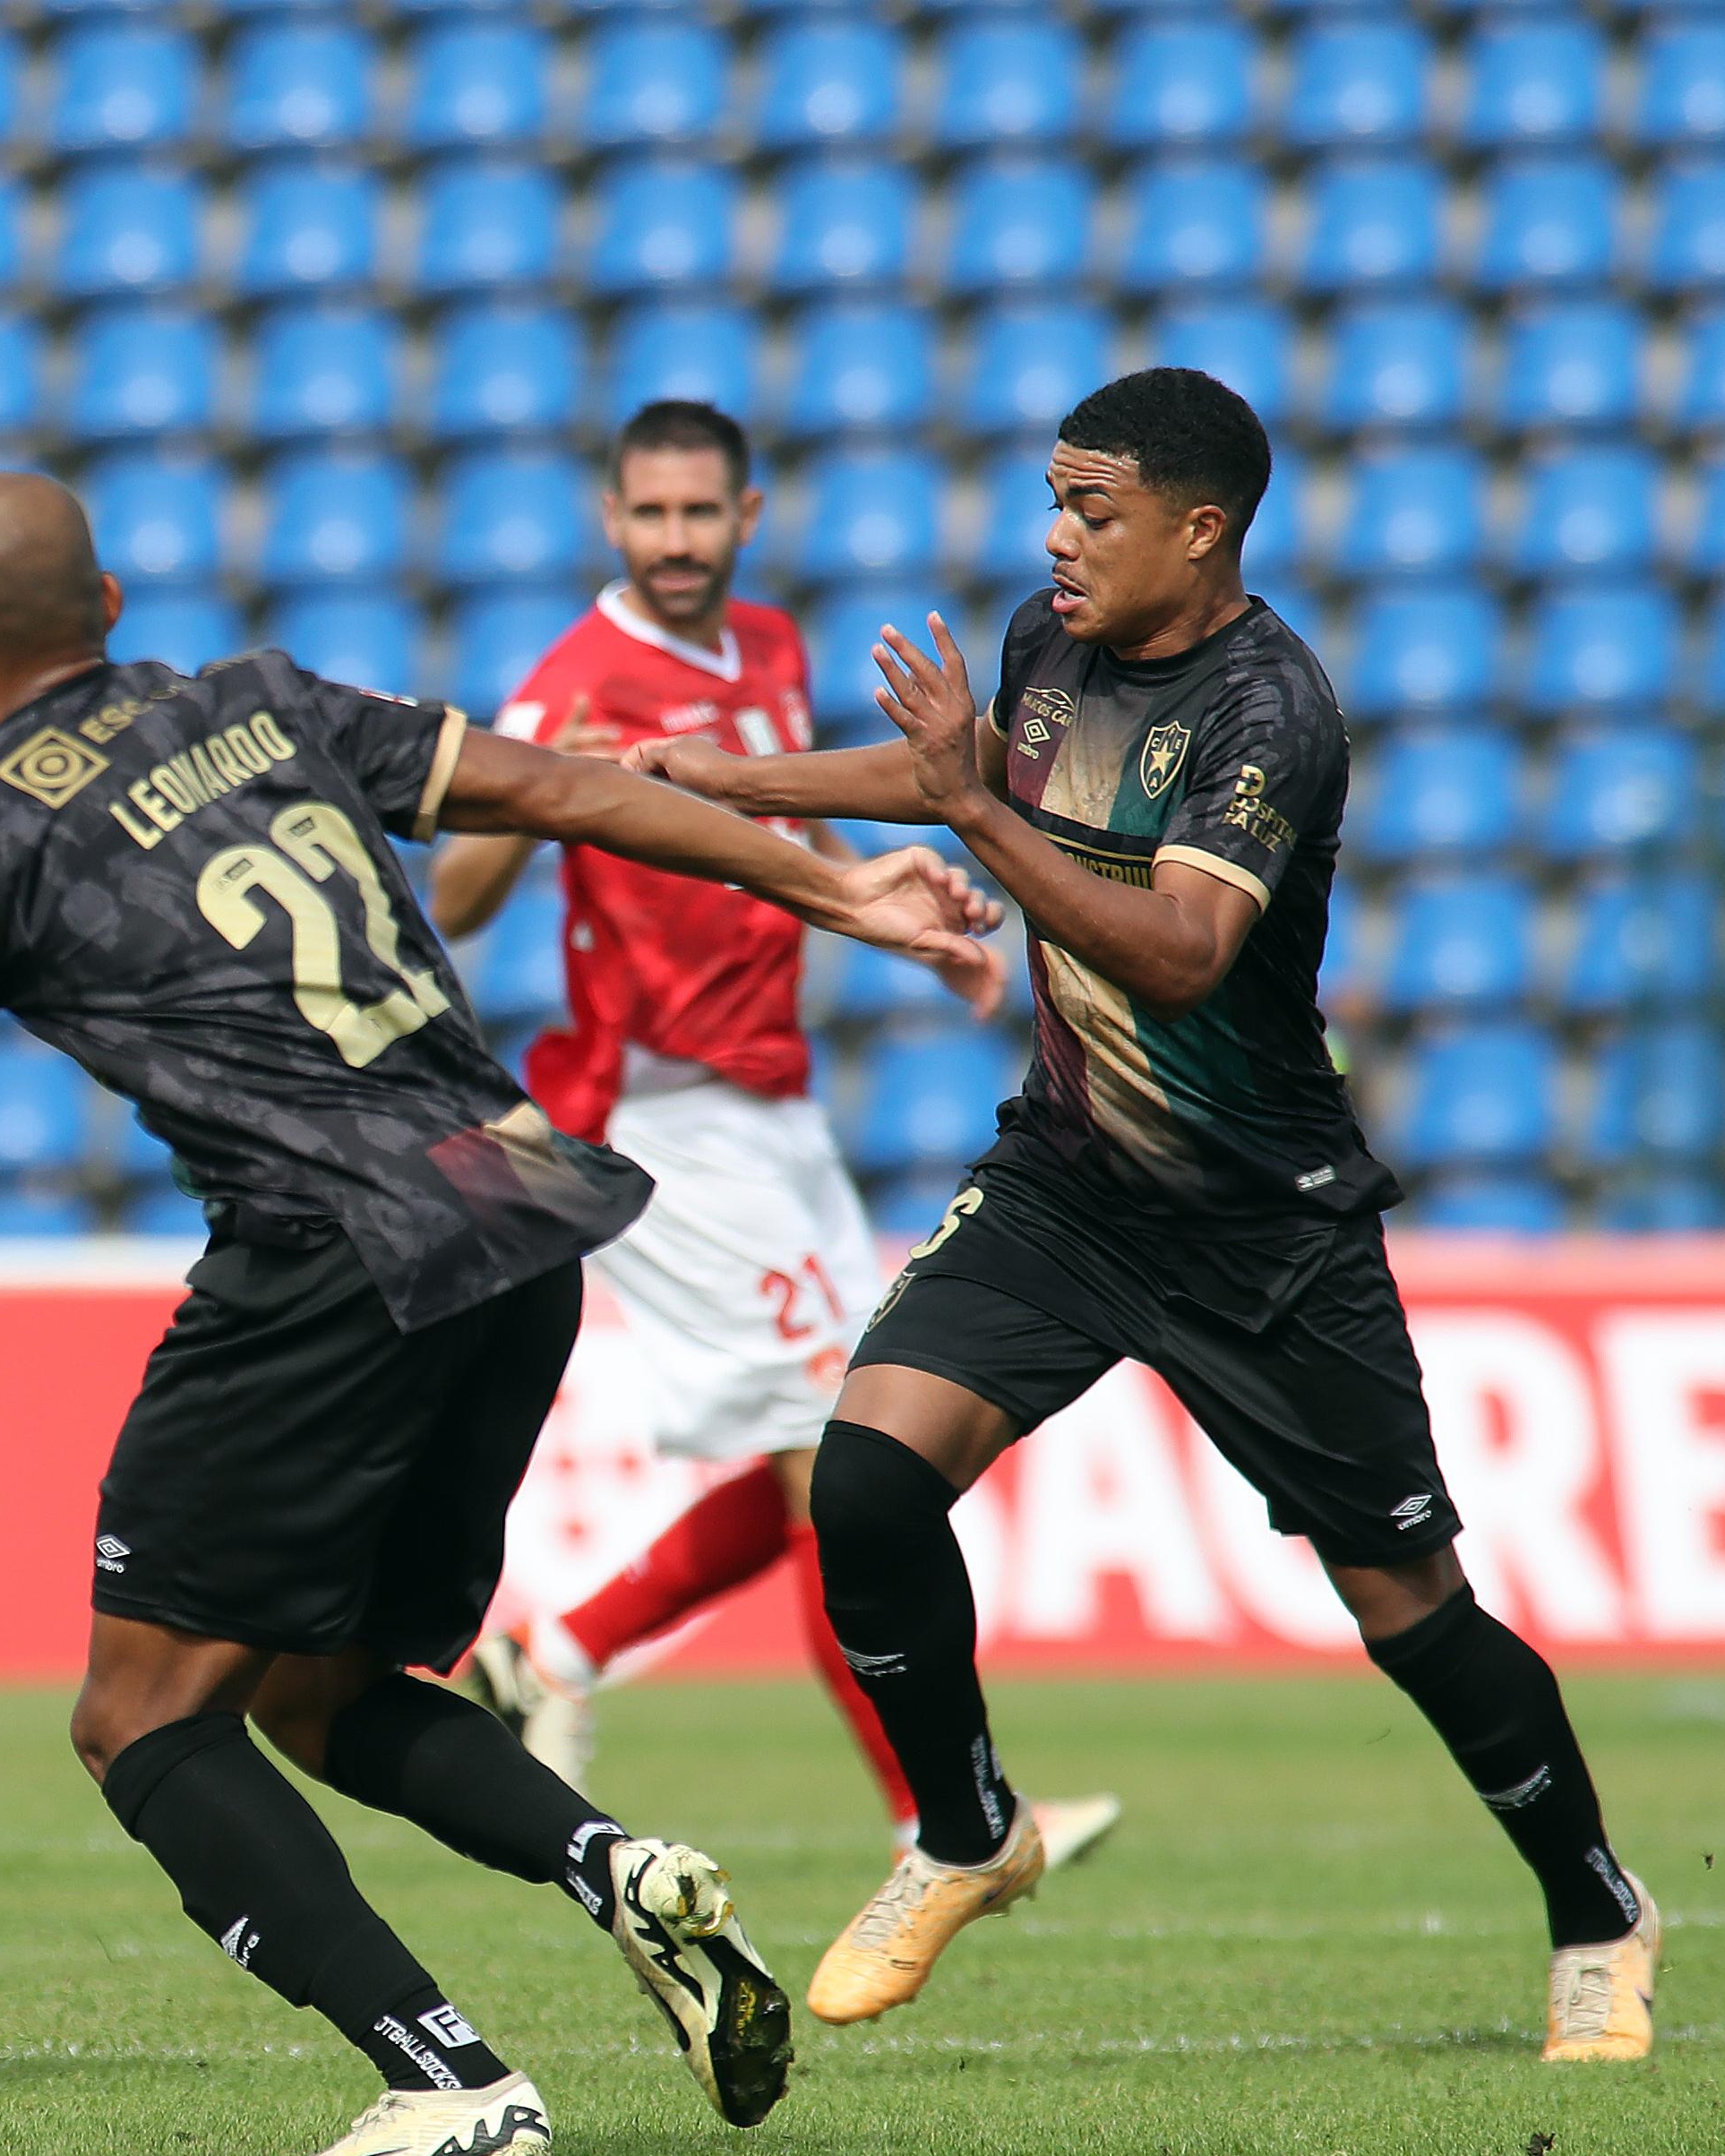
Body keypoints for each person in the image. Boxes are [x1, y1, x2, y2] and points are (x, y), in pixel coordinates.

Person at [0, 472, 1008, 2156]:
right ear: (108, 605)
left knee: (139, 1719)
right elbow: (565, 789)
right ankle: (618, 1870)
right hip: (519, 1208)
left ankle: (445, 2078)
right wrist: (838, 898)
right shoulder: (264, 701)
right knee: (321, 1693)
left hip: (331, 1255)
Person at [627, 368, 1657, 2062]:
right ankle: (967, 1831)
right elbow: (976, 768)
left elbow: (1179, 949)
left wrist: (971, 808)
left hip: (1262, 1227)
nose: (1055, 537)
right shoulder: (1052, 643)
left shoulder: (1271, 711)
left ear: (1198, 528)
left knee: (1408, 1608)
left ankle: (1597, 1912)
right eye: (1053, 500)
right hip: (1069, 1183)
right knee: (864, 1482)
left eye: (1089, 510)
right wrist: (737, 778)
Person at [428, 399, 1123, 1873]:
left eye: (700, 512)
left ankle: (555, 1654)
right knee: (836, 1460)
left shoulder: (765, 646)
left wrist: (900, 912)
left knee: (830, 1443)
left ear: (744, 517)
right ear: (611, 521)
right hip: (664, 1111)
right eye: (650, 514)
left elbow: (786, 845)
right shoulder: (574, 677)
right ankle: (946, 1823)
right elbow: (461, 896)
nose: (675, 539)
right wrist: (546, 784)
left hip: (774, 1096)